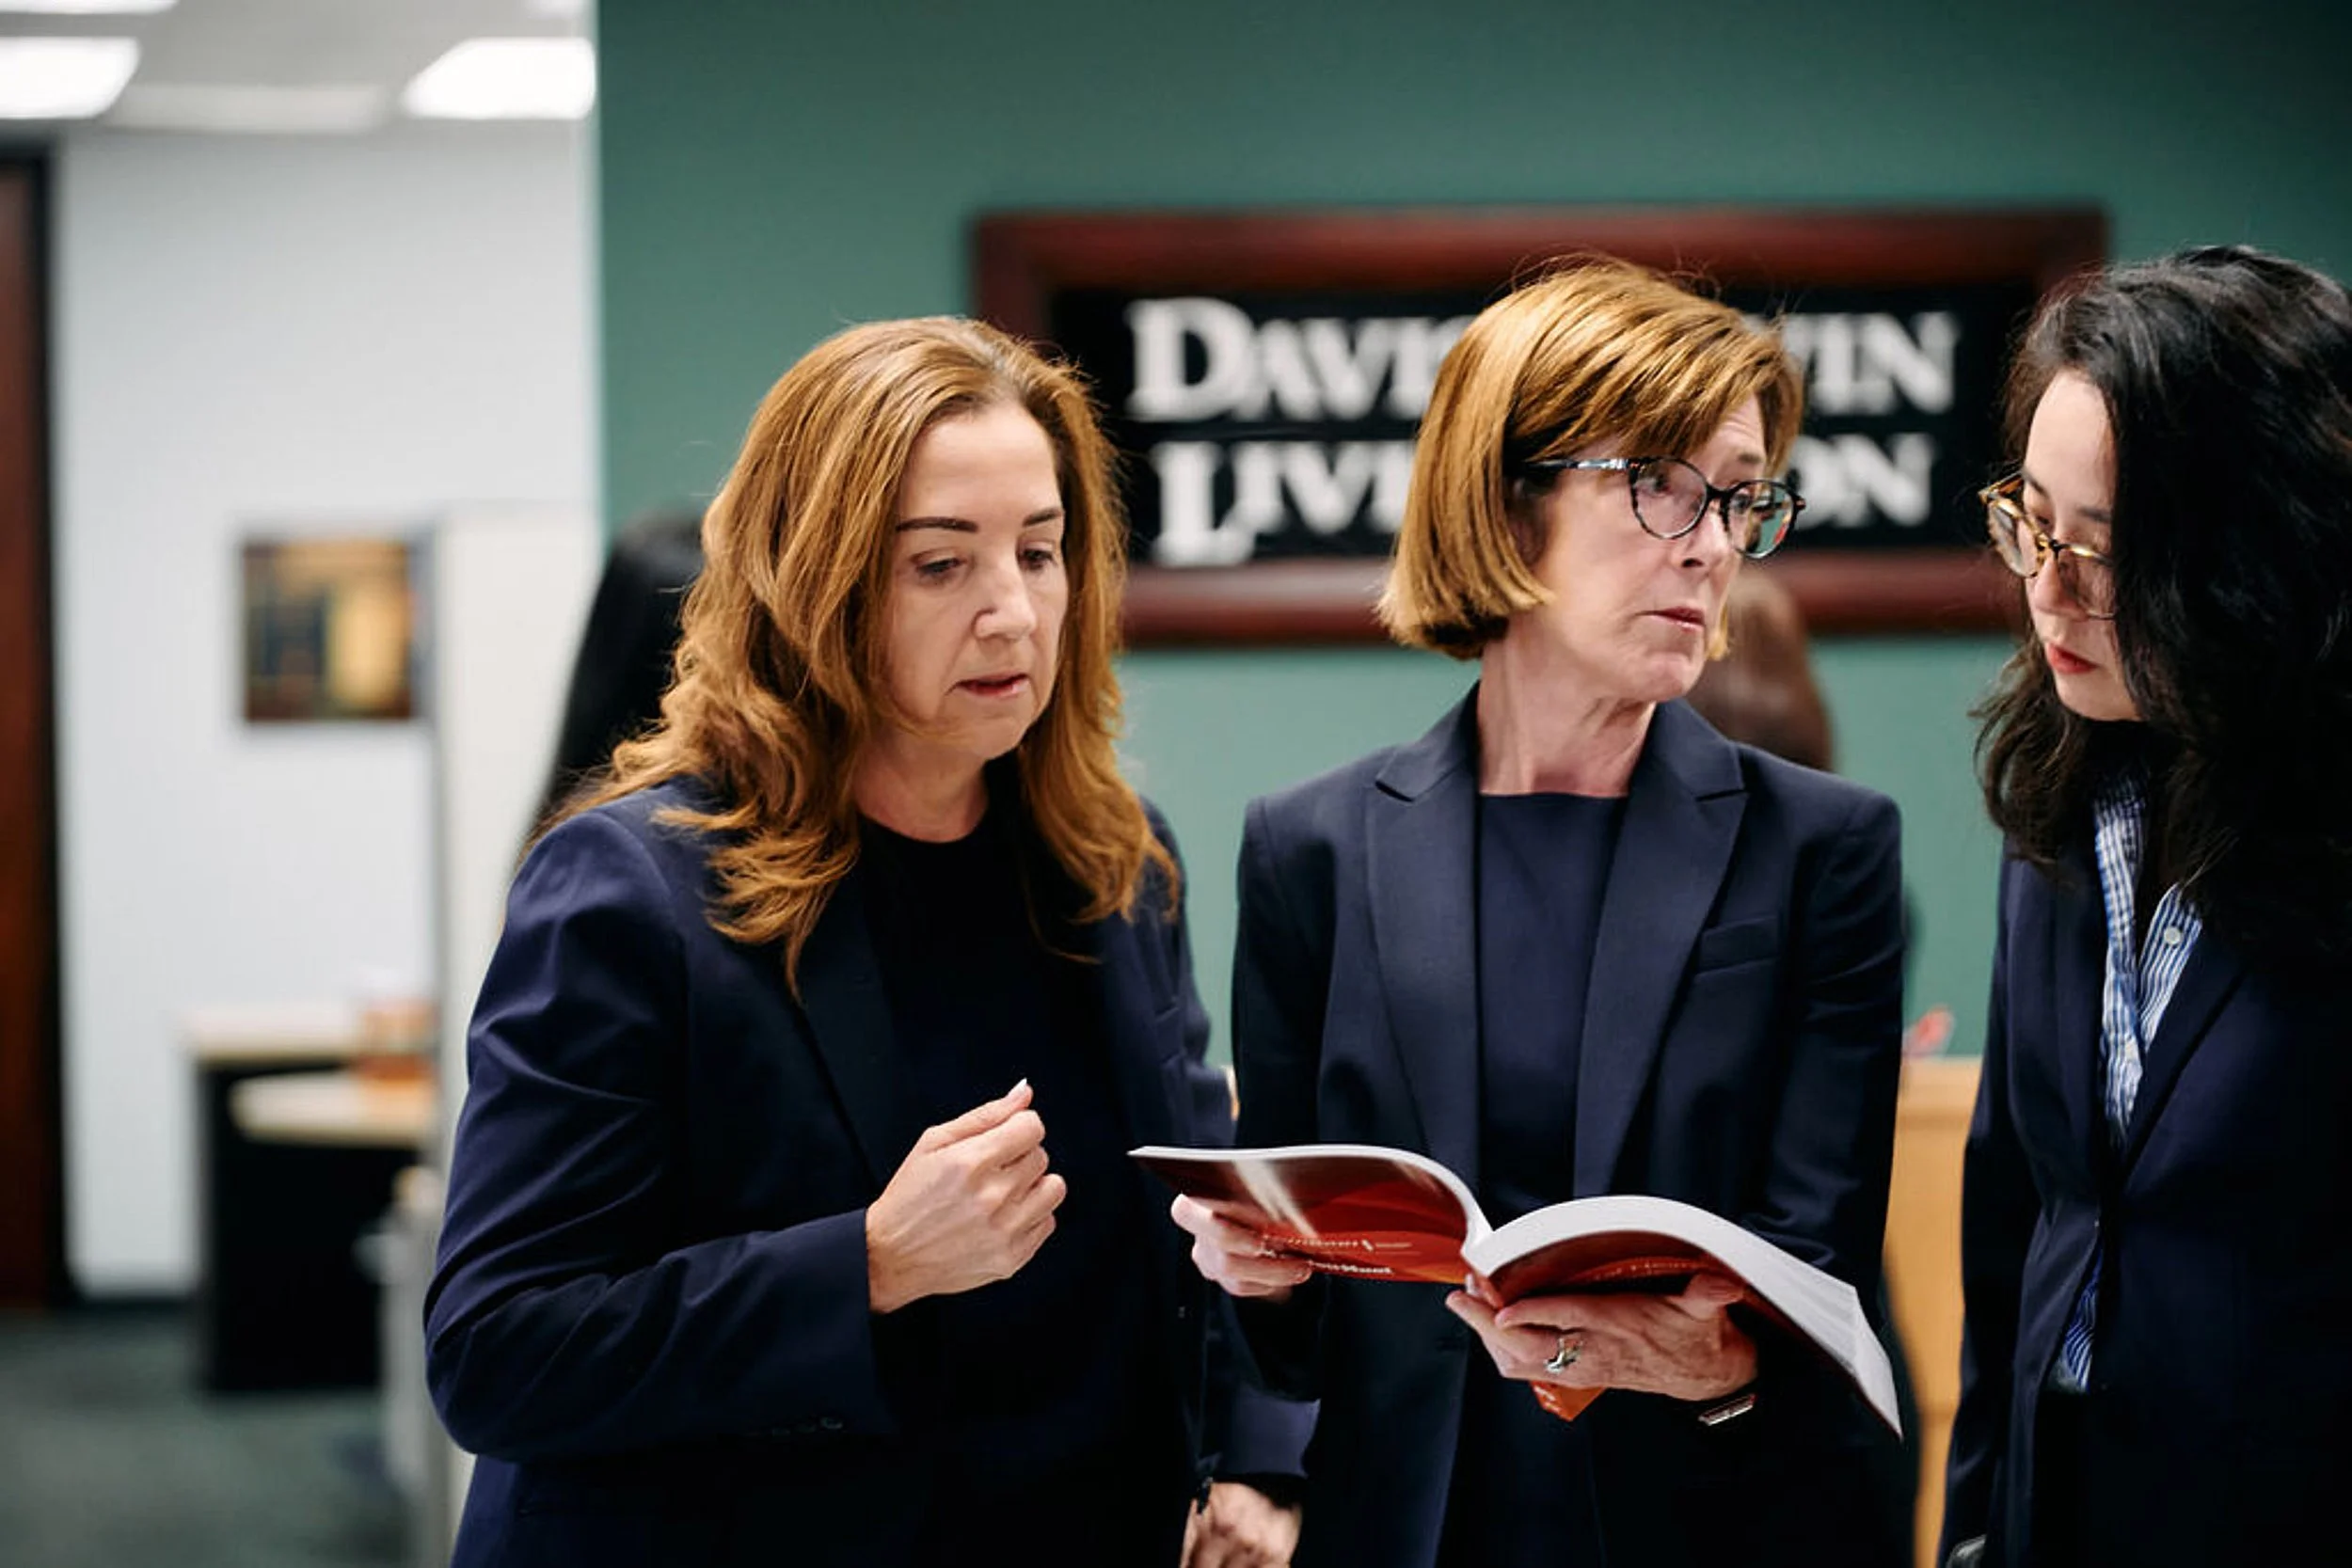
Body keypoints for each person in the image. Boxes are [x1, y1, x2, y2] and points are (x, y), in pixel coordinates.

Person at [424, 315, 1303, 1567]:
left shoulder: (1116, 860)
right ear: (819, 580)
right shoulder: (630, 891)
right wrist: (872, 1261)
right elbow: (498, 1349)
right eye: (941, 566)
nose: (1013, 614)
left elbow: (1196, 1220)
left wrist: (1258, 1463)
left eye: (1041, 553)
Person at [1172, 256, 1910, 1567]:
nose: (1711, 543)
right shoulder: (1310, 849)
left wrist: (1707, 1364)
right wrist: (1254, 1272)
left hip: (1705, 1523)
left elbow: (1821, 1291)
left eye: (1741, 499)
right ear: (1508, 507)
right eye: (1661, 485)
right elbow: (1293, 1340)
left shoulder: (1822, 851)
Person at [1940, 245, 2352, 1568]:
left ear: (2257, 555)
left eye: (2104, 551)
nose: (2048, 589)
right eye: (2031, 523)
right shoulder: (2059, 791)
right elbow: (2013, 1217)